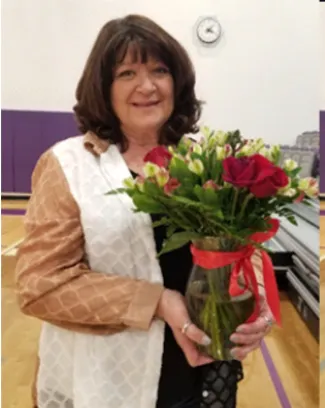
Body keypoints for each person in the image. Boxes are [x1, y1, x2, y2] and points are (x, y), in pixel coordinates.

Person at [15, 14, 274, 408]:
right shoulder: (70, 164)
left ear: (177, 81)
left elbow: (240, 247)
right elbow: (40, 285)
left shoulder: (203, 158)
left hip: (204, 368)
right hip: (109, 380)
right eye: (127, 73)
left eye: (159, 70)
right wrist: (157, 301)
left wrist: (257, 306)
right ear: (103, 87)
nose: (147, 86)